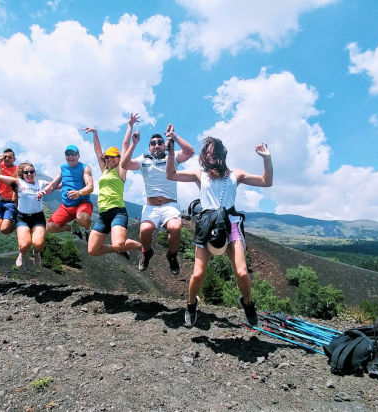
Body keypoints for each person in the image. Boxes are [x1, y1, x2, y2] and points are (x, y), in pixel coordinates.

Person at [166, 137, 273, 327]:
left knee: (241, 273)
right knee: (198, 274)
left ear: (222, 154)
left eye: (215, 152)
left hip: (231, 223)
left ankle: (248, 303)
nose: (211, 155)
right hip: (207, 225)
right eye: (207, 152)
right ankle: (191, 305)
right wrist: (171, 152)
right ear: (204, 156)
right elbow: (171, 174)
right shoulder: (200, 175)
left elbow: (266, 181)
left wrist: (266, 159)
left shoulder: (235, 175)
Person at [123, 116, 195, 274]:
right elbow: (125, 164)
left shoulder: (172, 156)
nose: (157, 145)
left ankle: (172, 255)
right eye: (153, 143)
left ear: (164, 145)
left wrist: (174, 136)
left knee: (175, 227)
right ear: (149, 147)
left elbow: (190, 151)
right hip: (151, 207)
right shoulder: (144, 159)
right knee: (145, 230)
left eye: (160, 142)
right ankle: (147, 252)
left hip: (170, 205)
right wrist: (134, 144)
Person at [84, 126, 142, 258]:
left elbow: (125, 145)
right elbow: (98, 152)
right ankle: (120, 248)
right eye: (107, 157)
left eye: (113, 157)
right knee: (93, 250)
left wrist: (130, 126)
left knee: (118, 244)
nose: (110, 159)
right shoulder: (104, 170)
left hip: (118, 212)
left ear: (119, 158)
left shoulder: (121, 170)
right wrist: (95, 133)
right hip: (103, 215)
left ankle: (142, 247)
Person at [0, 160, 53, 267]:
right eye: (26, 172)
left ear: (35, 172)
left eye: (32, 171)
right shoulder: (18, 182)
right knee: (24, 245)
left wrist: (70, 177)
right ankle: (22, 253)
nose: (29, 174)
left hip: (38, 217)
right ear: (22, 174)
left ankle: (36, 253)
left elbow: (57, 184)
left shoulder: (41, 183)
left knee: (38, 244)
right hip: (23, 218)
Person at [43, 144, 93, 238]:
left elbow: (90, 186)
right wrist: (43, 191)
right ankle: (73, 229)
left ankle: (88, 230)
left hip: (82, 203)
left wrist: (79, 193)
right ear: (65, 156)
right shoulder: (63, 168)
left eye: (73, 154)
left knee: (82, 219)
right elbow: (53, 184)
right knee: (50, 227)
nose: (70, 156)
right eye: (68, 154)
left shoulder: (85, 168)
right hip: (67, 206)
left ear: (78, 155)